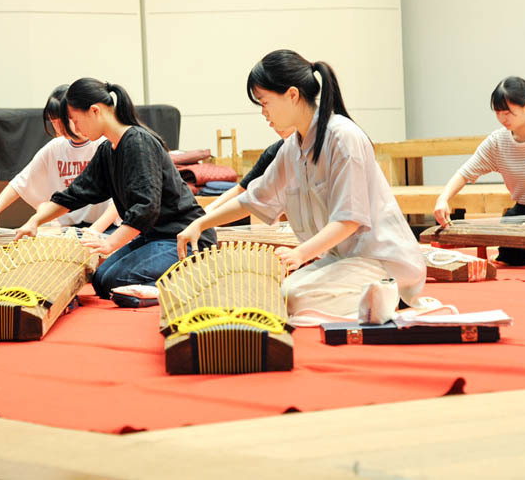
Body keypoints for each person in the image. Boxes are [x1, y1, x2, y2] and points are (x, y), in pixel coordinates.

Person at [177, 49, 426, 326]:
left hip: (381, 259)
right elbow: (253, 199)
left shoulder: (343, 138)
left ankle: (394, 297)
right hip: (344, 260)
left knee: (293, 297)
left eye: (265, 102)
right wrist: (200, 224)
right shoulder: (291, 148)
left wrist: (300, 253)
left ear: (292, 95)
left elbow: (349, 220)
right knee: (277, 295)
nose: (264, 113)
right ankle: (376, 299)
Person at [14, 78, 216, 300]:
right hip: (155, 236)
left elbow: (146, 207)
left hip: (182, 237)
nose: (74, 128)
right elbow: (75, 194)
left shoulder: (138, 142)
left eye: (75, 120)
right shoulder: (107, 150)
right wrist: (35, 221)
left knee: (115, 281)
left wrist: (109, 242)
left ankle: (191, 281)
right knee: (101, 280)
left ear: (94, 111)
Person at [433, 76, 525, 265]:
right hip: (523, 211)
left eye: (508, 112)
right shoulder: (497, 141)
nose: (503, 118)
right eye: (498, 112)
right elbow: (465, 172)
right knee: (510, 252)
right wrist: (443, 199)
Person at [0, 85, 117, 241]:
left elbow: (120, 200)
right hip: (69, 232)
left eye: (63, 121)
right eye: (54, 122)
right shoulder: (55, 147)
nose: (58, 128)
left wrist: (96, 230)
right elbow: (20, 182)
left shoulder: (103, 144)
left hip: (105, 229)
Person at [203, 127, 293, 215]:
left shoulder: (302, 151)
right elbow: (243, 189)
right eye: (269, 121)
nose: (272, 125)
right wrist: (210, 209)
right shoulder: (275, 151)